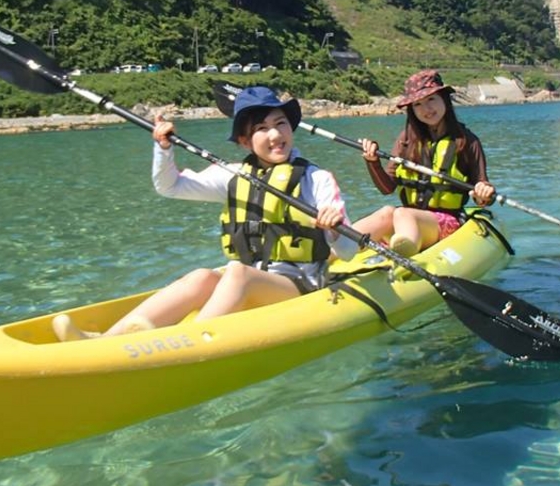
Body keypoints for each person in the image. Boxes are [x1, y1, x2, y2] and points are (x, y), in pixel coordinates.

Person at [52, 86, 358, 340]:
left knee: (236, 272)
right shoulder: (233, 175)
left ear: (291, 128)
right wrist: (163, 148)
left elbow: (347, 251)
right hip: (253, 278)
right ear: (244, 141)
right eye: (262, 128)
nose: (275, 134)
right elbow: (170, 186)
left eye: (280, 124)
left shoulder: (316, 179)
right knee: (201, 276)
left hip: (301, 286)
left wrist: (332, 230)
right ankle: (109, 339)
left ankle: (189, 343)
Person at [351, 69, 496, 257]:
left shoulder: (466, 141)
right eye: (418, 104)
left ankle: (404, 252)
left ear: (444, 99)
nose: (426, 109)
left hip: (448, 220)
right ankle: (333, 250)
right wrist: (373, 162)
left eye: (431, 100)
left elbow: (482, 192)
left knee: (402, 214)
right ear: (412, 109)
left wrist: (484, 192)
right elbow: (387, 188)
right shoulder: (405, 141)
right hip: (408, 219)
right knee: (388, 212)